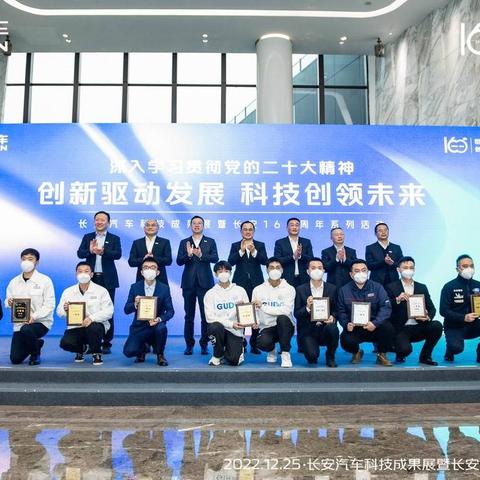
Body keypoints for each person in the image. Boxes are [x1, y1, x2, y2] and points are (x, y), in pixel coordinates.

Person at [77, 210, 121, 354]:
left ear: (108, 223)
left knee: (108, 309)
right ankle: (90, 341)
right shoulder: (87, 237)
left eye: (103, 220)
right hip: (90, 278)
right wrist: (90, 251)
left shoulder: (114, 238)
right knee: (89, 308)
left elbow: (118, 254)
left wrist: (103, 252)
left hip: (107, 279)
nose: (99, 222)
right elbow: (79, 253)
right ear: (94, 222)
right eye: (97, 219)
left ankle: (107, 342)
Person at [385, 256, 442, 365]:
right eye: (405, 267)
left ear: (414, 269)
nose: (408, 270)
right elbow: (385, 306)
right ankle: (397, 350)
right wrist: (397, 299)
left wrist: (428, 317)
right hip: (401, 328)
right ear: (398, 269)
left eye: (411, 268)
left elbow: (432, 308)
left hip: (419, 326)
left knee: (437, 325)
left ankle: (425, 356)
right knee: (404, 350)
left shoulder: (422, 287)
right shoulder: (391, 287)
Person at [337, 259, 394, 366]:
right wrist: (346, 324)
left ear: (368, 272)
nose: (361, 273)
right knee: (345, 341)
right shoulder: (344, 290)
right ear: (351, 274)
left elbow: (385, 307)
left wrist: (375, 323)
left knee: (388, 328)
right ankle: (357, 352)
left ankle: (381, 354)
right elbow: (341, 311)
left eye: (364, 270)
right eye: (357, 271)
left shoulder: (377, 287)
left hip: (374, 326)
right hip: (355, 328)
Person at [4, 248, 55, 365]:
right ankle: (37, 343)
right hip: (20, 324)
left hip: (40, 323)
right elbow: (7, 301)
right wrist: (9, 302)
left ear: (37, 262)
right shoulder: (14, 282)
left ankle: (35, 354)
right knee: (15, 359)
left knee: (26, 329)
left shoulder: (45, 280)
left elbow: (49, 305)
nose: (26, 261)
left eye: (30, 259)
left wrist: (34, 316)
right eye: (24, 259)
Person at [177, 215, 219, 355]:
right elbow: (179, 261)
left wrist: (201, 255)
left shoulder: (210, 241)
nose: (196, 225)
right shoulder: (184, 242)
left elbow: (215, 258)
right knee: (188, 316)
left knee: (205, 316)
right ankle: (189, 345)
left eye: (199, 223)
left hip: (205, 284)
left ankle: (204, 344)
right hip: (188, 284)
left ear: (203, 226)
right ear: (190, 226)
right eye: (194, 223)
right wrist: (189, 255)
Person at [57, 261, 114, 365]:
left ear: (91, 274)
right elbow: (59, 312)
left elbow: (109, 312)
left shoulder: (101, 291)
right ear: (76, 274)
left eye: (86, 271)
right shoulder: (68, 291)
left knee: (94, 328)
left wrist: (91, 318)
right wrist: (65, 310)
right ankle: (82, 349)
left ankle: (96, 352)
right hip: (76, 326)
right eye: (80, 271)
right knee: (65, 343)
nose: (83, 274)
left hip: (95, 325)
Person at [123, 258, 174, 366]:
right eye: (146, 267)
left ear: (158, 272)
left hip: (156, 325)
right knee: (129, 352)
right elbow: (126, 309)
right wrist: (135, 304)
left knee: (161, 328)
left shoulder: (164, 288)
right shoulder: (135, 287)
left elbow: (170, 311)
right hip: (139, 326)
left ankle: (160, 354)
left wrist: (159, 319)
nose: (149, 270)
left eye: (152, 267)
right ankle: (142, 348)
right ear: (141, 272)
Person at [228, 221, 268, 354]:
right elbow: (230, 262)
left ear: (253, 231)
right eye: (245, 229)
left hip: (257, 283)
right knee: (241, 312)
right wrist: (241, 250)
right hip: (240, 283)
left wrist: (254, 251)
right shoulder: (235, 245)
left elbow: (265, 261)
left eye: (250, 229)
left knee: (256, 312)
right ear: (241, 232)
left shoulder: (260, 245)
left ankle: (255, 343)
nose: (248, 232)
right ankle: (241, 342)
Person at [294, 258, 339, 367]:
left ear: (324, 271)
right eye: (313, 268)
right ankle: (311, 351)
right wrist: (308, 307)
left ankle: (330, 355)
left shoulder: (332, 288)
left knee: (333, 328)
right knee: (312, 357)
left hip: (325, 328)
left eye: (319, 268)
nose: (317, 270)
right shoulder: (300, 289)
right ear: (308, 271)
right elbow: (297, 313)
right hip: (308, 331)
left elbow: (336, 309)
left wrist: (333, 317)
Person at [252, 257, 296, 368]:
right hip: (266, 327)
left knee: (282, 318)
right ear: (267, 270)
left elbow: (286, 310)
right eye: (271, 268)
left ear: (282, 270)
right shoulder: (258, 289)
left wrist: (263, 306)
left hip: (286, 326)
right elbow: (254, 310)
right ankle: (271, 349)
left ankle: (285, 353)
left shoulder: (289, 289)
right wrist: (255, 321)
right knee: (262, 343)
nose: (275, 270)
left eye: (278, 267)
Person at [204, 261, 249, 366]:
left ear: (230, 273)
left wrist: (243, 310)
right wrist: (230, 323)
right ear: (215, 274)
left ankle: (237, 345)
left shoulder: (240, 290)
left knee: (234, 360)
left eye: (226, 271)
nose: (223, 274)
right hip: (219, 329)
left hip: (235, 330)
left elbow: (247, 313)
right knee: (214, 326)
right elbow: (210, 318)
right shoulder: (210, 294)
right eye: (220, 271)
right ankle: (217, 354)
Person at [440, 254, 480, 363]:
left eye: (471, 266)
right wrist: (463, 317)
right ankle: (450, 350)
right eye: (465, 266)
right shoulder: (449, 286)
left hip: (474, 324)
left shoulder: (478, 285)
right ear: (458, 269)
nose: (469, 268)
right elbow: (443, 310)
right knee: (456, 348)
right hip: (454, 326)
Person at [128, 219, 172, 284]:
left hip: (160, 280)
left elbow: (168, 261)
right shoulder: (137, 243)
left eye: (153, 225)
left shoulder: (165, 242)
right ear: (144, 228)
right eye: (147, 225)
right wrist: (143, 259)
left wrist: (153, 258)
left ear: (158, 228)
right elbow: (131, 262)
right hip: (141, 280)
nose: (150, 227)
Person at [273, 217, 313, 288]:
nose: (294, 227)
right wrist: (293, 257)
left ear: (299, 228)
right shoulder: (280, 243)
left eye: (297, 225)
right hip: (286, 279)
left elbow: (311, 259)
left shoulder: (306, 242)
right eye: (292, 225)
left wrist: (300, 256)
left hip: (304, 279)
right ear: (287, 228)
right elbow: (277, 260)